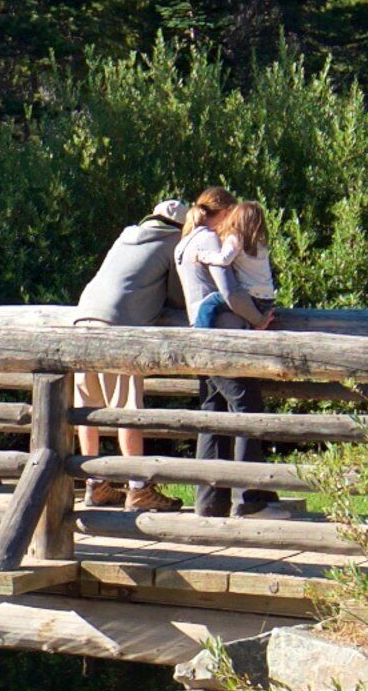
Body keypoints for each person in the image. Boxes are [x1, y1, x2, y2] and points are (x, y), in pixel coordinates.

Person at [67, 195, 189, 511]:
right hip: (118, 326)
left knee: (87, 404)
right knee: (127, 407)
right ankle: (138, 488)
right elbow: (178, 297)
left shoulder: (126, 235)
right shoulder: (175, 242)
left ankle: (95, 484)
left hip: (83, 316)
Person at [176, 193, 280, 517]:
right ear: (221, 212)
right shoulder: (209, 240)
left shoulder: (185, 243)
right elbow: (231, 293)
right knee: (247, 408)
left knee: (212, 413)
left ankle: (209, 502)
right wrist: (258, 319)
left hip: (201, 332)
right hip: (223, 336)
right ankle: (249, 499)